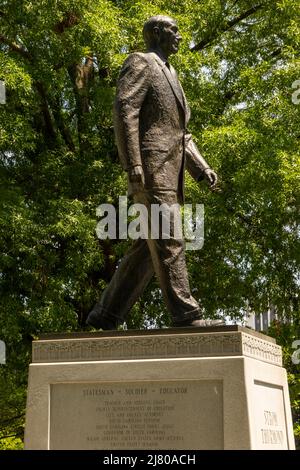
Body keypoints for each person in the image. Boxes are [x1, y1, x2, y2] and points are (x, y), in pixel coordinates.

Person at [87, 15, 224, 329]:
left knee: (148, 251)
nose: (179, 35)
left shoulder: (172, 73)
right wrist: (133, 163)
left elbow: (181, 135)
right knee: (169, 236)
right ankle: (187, 315)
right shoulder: (142, 63)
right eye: (174, 30)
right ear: (157, 33)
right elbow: (125, 110)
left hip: (171, 172)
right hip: (151, 169)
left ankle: (105, 315)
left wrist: (202, 169)